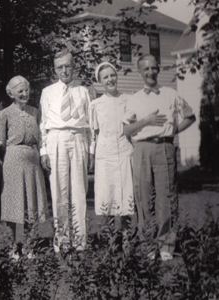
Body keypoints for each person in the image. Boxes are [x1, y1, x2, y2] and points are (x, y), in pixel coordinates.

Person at [123, 54, 196, 261]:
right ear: (140, 72)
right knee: (143, 197)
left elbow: (190, 116)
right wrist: (146, 121)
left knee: (166, 197)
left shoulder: (171, 94)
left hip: (164, 148)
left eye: (153, 68)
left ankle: (166, 245)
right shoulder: (134, 98)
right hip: (142, 149)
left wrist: (172, 132)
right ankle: (148, 244)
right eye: (145, 69)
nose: (150, 72)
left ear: (159, 69)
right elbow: (127, 130)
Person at [39, 51, 94, 252]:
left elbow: (90, 126)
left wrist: (91, 151)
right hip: (56, 140)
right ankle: (62, 239)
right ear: (55, 70)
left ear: (74, 67)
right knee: (59, 191)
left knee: (79, 192)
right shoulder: (47, 92)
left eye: (67, 66)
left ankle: (80, 240)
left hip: (78, 138)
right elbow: (43, 123)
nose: (64, 70)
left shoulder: (83, 91)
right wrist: (44, 150)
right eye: (59, 67)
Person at [0, 76, 47, 257]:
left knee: (31, 202)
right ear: (11, 93)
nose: (25, 94)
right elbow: (2, 141)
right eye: (20, 91)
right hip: (13, 160)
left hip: (32, 161)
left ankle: (30, 244)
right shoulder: (4, 114)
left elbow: (40, 136)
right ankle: (13, 246)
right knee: (12, 202)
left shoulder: (35, 112)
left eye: (27, 90)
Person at [91, 62, 134, 227]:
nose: (110, 80)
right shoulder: (96, 105)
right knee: (106, 197)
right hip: (105, 155)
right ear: (100, 81)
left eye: (112, 75)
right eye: (105, 77)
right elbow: (95, 131)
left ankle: (126, 240)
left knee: (126, 197)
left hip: (124, 152)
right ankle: (110, 241)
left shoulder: (128, 100)